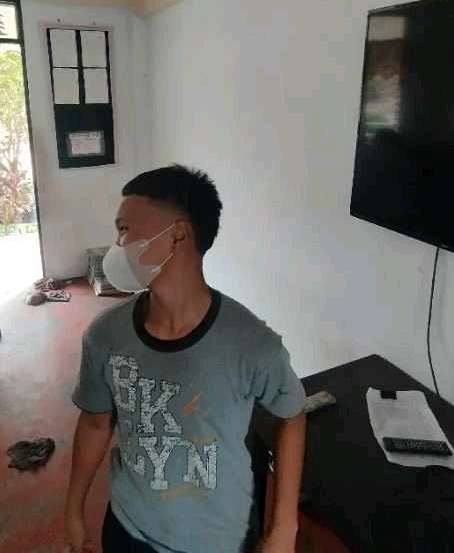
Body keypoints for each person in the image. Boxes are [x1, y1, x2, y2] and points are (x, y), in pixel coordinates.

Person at [64, 165, 307, 553]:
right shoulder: (106, 335)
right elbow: (95, 424)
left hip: (219, 539)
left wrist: (284, 527)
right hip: (128, 531)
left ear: (177, 235)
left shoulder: (253, 344)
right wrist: (74, 510)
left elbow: (291, 416)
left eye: (125, 230)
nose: (117, 246)